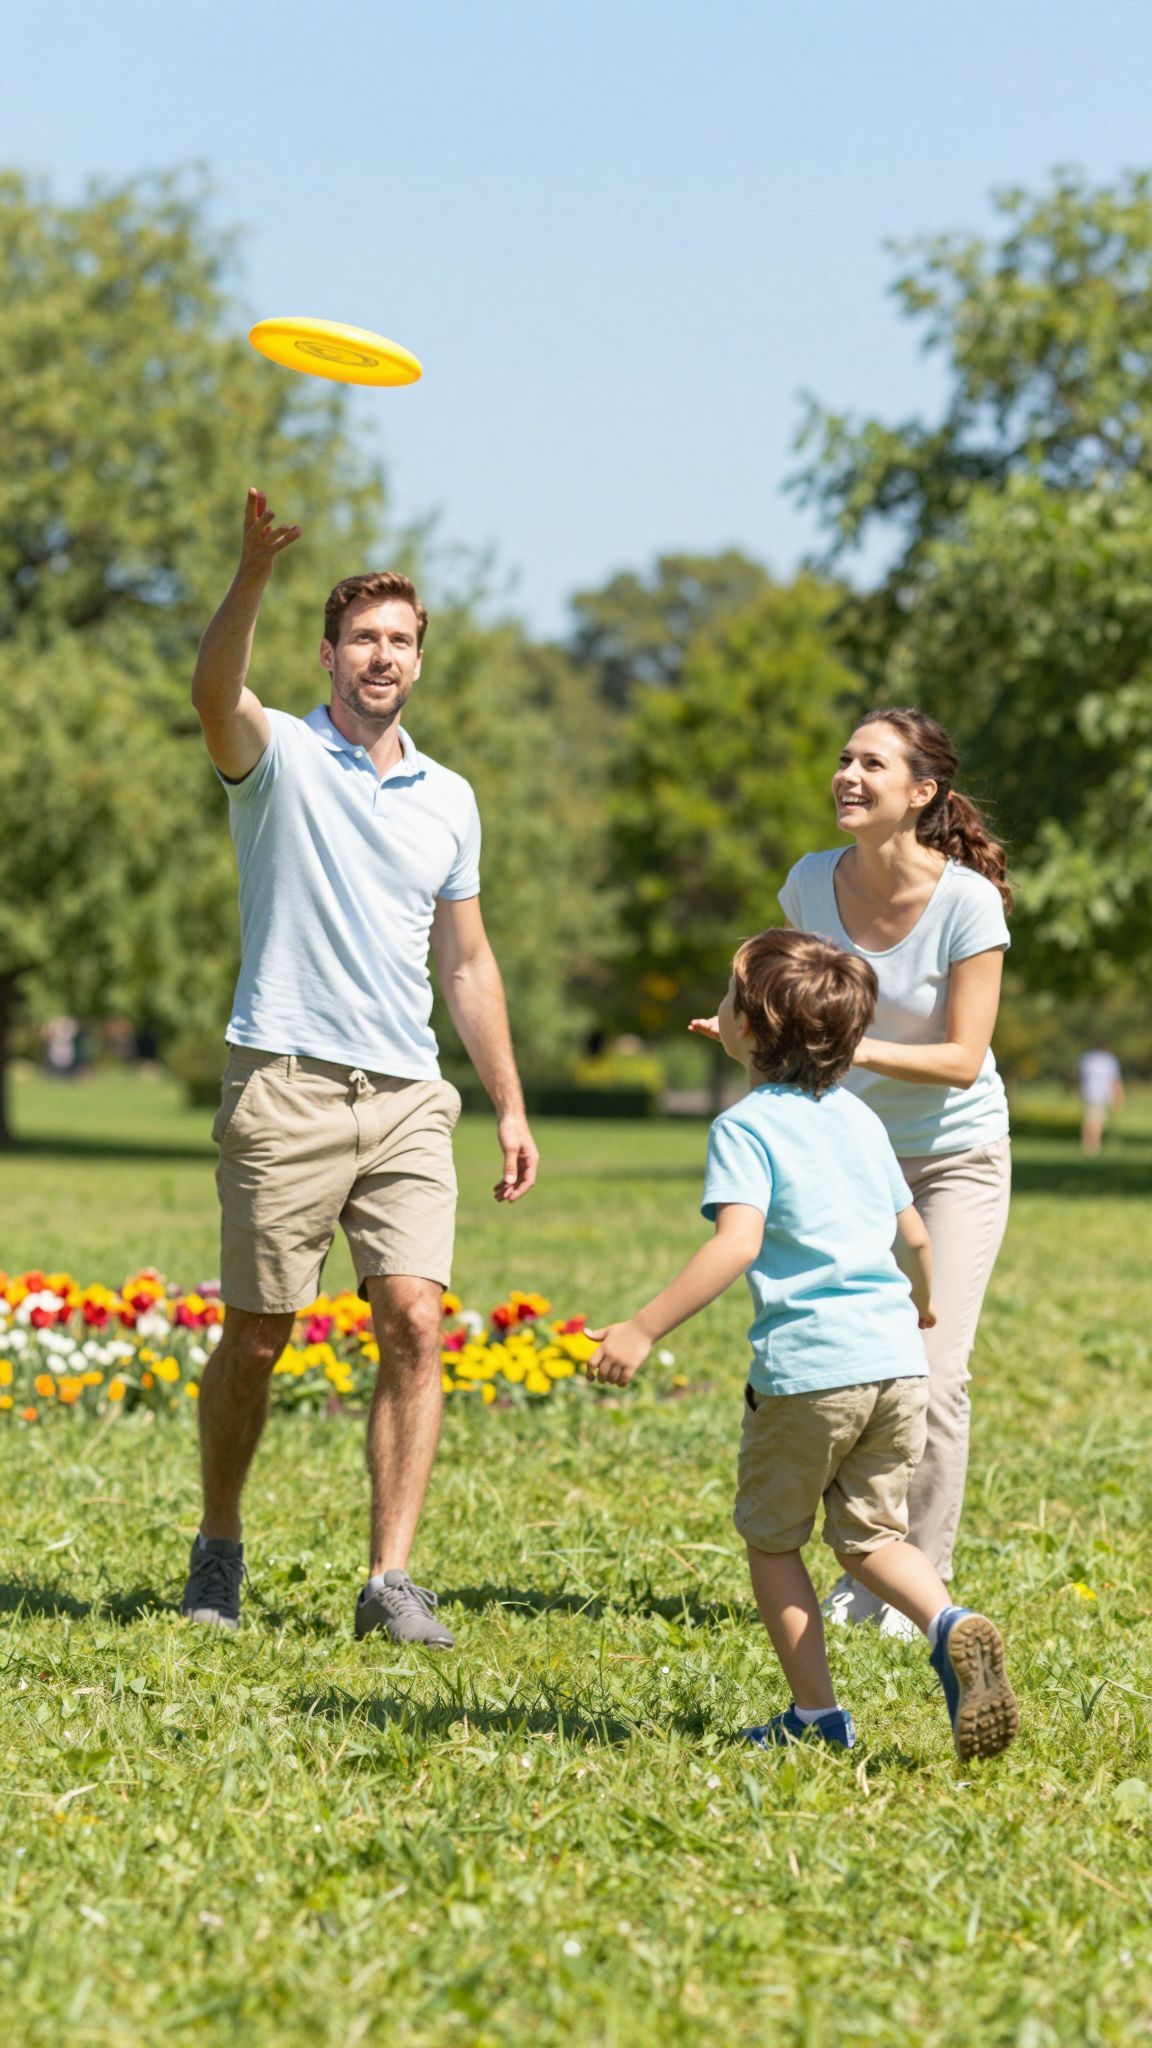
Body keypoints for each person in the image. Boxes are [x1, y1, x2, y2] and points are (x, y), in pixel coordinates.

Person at [182, 488, 539, 1645]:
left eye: (402, 640)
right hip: (284, 1081)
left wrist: (508, 1102)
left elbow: (468, 961)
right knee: (259, 1332)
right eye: (364, 638)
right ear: (329, 654)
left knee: (415, 1322)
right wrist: (250, 573)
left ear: (418, 663)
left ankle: (390, 1577)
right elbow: (211, 692)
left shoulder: (451, 800)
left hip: (404, 1097)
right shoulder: (278, 755)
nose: (382, 656)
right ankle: (219, 1542)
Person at [587, 929, 1018, 1759]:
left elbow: (737, 1244)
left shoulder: (745, 1128)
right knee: (871, 1539)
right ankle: (949, 1621)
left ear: (748, 1029)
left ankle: (816, 1719)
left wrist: (642, 1328)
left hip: (810, 1373)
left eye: (727, 998)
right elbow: (918, 1240)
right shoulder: (858, 1120)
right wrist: (924, 1306)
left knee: (775, 1539)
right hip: (897, 1364)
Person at [692, 707, 1013, 1638]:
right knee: (847, 1361)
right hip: (847, 1148)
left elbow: (961, 1057)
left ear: (922, 793)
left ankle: (923, 1583)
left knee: (932, 1364)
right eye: (843, 758)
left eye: (873, 763)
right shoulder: (810, 883)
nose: (848, 774)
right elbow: (796, 990)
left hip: (955, 1150)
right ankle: (865, 1570)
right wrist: (755, 1026)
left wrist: (842, 1040)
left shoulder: (967, 904)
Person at [1078, 1047, 1124, 1156]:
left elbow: (1081, 1077)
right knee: (1097, 1120)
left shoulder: (1087, 1058)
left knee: (1089, 1118)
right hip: (1101, 1094)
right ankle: (1094, 1146)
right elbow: (1115, 1080)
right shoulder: (1109, 1060)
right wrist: (1119, 1097)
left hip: (1088, 1093)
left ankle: (1086, 1144)